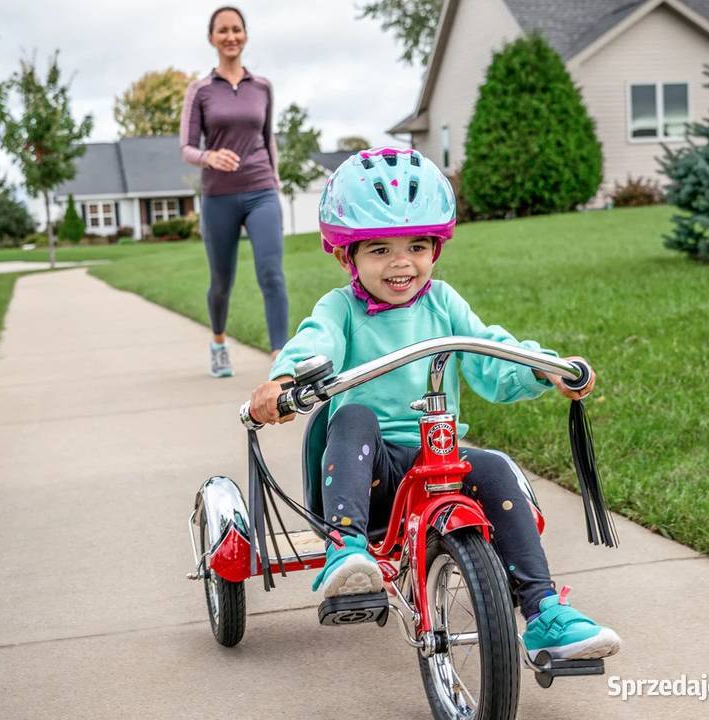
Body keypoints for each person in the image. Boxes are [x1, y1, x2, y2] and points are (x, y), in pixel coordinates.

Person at [249, 148, 621, 662]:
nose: (401, 262)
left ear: (436, 248)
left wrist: (542, 367)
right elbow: (317, 339)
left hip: (436, 458)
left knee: (495, 469)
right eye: (379, 249)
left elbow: (490, 350)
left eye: (417, 246)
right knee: (353, 416)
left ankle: (543, 610)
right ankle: (347, 550)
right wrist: (285, 380)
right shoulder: (341, 308)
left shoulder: (444, 302)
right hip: (372, 471)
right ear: (345, 256)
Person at [180, 5, 288, 378]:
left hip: (261, 189)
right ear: (212, 38)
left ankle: (281, 355)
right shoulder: (200, 90)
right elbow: (186, 147)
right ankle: (218, 342)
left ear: (246, 35)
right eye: (223, 30)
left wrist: (274, 180)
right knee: (221, 281)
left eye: (237, 29)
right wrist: (209, 157)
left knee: (272, 272)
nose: (231, 37)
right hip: (219, 196)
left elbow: (267, 138)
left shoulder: (262, 87)